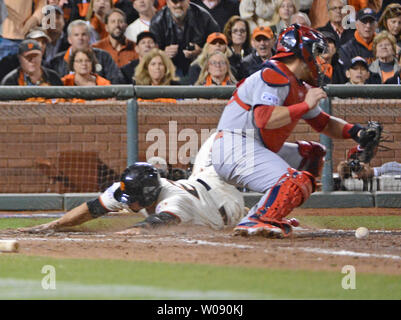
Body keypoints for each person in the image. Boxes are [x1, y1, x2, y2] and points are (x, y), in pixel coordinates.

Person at [210, 24, 380, 238]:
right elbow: (263, 119)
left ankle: (267, 212)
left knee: (313, 154)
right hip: (234, 148)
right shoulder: (273, 74)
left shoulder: (297, 84)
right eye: (316, 53)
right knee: (293, 181)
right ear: (302, 52)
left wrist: (356, 132)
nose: (321, 60)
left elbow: (323, 123)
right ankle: (258, 219)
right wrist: (304, 106)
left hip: (252, 147)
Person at [17, 132, 246, 234]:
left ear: (147, 196)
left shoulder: (174, 202)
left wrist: (110, 240)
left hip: (225, 204)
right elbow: (92, 208)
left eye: (133, 201)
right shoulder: (129, 187)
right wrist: (53, 225)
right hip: (200, 183)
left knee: (225, 134)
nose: (128, 204)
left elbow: (146, 228)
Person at [149, 0, 220, 78]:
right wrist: (163, 54)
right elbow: (150, 54)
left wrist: (201, 52)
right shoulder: (157, 22)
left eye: (182, 1)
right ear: (168, 3)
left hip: (200, 67)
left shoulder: (204, 17)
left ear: (188, 1)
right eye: (175, 2)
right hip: (168, 69)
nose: (179, 5)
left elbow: (219, 47)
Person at [48, 19, 124, 84]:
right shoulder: (56, 62)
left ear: (89, 38)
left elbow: (116, 81)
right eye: (76, 35)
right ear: (69, 39)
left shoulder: (104, 57)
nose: (80, 38)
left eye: (84, 34)